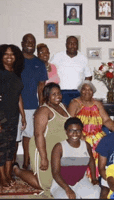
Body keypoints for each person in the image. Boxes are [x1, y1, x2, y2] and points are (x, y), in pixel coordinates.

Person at [13, 83, 71, 196]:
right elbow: (38, 135)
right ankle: (17, 171)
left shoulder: (63, 106)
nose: (57, 96)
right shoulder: (43, 110)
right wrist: (44, 157)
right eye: (53, 94)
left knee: (58, 179)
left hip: (59, 150)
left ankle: (33, 173)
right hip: (43, 147)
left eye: (59, 93)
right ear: (47, 95)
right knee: (45, 184)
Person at [67, 80, 114, 179]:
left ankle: (101, 175)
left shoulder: (97, 103)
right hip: (81, 136)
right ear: (80, 91)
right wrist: (79, 136)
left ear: (93, 92)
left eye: (90, 90)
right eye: (84, 89)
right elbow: (69, 123)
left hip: (98, 135)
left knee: (107, 144)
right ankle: (88, 177)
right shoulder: (75, 103)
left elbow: (106, 120)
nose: (87, 92)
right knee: (89, 146)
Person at [16, 33, 48, 170]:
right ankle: (12, 162)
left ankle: (25, 161)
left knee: (28, 135)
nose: (30, 43)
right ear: (22, 43)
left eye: (32, 42)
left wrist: (41, 106)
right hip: (13, 106)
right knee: (14, 137)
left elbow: (41, 87)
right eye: (27, 41)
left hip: (31, 104)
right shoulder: (15, 60)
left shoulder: (39, 64)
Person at [50, 117, 100, 199]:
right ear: (66, 131)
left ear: (81, 131)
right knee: (69, 197)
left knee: (94, 194)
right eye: (71, 130)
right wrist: (67, 189)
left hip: (80, 181)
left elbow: (91, 161)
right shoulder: (59, 147)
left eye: (78, 130)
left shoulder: (86, 145)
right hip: (61, 184)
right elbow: (55, 172)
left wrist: (94, 178)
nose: (75, 133)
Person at [0, 44, 26, 188]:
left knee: (11, 147)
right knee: (1, 148)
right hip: (2, 116)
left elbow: (18, 96)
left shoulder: (16, 73)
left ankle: (9, 173)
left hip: (14, 116)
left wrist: (23, 115)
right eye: (5, 54)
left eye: (12, 54)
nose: (9, 57)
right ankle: (2, 176)